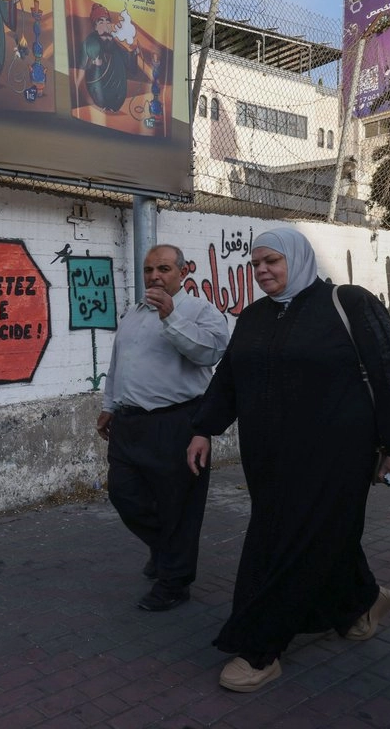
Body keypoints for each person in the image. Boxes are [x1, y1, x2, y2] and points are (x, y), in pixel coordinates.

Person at [186, 227, 390, 693]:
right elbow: (229, 378)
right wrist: (203, 428)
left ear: (296, 259)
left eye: (271, 261)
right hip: (268, 459)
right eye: (255, 264)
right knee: (324, 534)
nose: (262, 271)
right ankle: (360, 601)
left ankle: (259, 647)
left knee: (283, 541)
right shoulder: (254, 316)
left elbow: (389, 372)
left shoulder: (347, 303)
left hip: (336, 455)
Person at [97, 245, 230, 612]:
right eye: (149, 269)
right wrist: (109, 405)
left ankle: (174, 582)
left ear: (183, 272)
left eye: (164, 268)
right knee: (124, 494)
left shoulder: (201, 311)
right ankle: (167, 549)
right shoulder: (134, 313)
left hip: (178, 423)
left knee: (179, 507)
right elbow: (118, 362)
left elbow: (209, 353)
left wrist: (171, 317)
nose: (154, 276)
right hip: (129, 423)